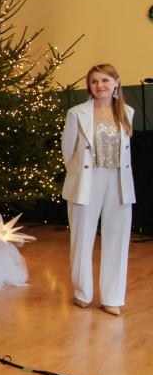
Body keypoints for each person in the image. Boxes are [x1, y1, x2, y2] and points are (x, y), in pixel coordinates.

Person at [61, 63, 135, 315]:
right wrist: (81, 176)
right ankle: (82, 292)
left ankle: (112, 297)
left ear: (116, 83)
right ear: (89, 86)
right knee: (82, 237)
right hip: (87, 180)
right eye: (94, 81)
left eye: (105, 80)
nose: (100, 85)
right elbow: (68, 152)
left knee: (118, 237)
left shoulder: (127, 112)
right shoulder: (76, 113)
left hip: (118, 181)